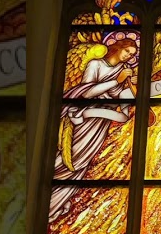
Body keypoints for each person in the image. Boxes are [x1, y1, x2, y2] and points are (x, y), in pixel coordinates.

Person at [48, 38, 140, 221]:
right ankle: (50, 197)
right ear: (117, 47)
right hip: (83, 117)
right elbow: (86, 92)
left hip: (101, 121)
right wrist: (116, 81)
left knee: (83, 162)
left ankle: (58, 201)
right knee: (71, 157)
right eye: (127, 51)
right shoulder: (95, 64)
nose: (128, 56)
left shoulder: (122, 71)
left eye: (131, 55)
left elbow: (115, 96)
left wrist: (130, 85)